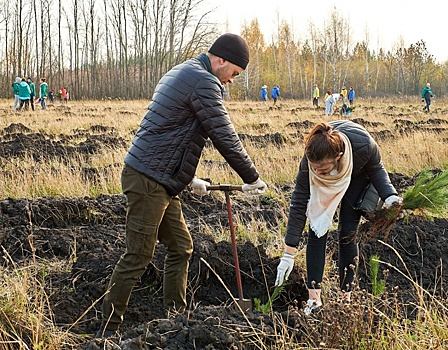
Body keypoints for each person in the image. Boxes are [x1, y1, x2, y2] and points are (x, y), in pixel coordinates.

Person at [97, 33, 268, 338]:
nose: (231, 81)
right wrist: (251, 177)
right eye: (234, 74)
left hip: (160, 180)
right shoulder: (203, 81)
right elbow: (222, 134)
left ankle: (175, 320)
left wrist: (189, 179)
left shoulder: (184, 71)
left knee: (181, 247)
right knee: (138, 255)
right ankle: (107, 332)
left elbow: (171, 134)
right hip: (149, 180)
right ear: (221, 60)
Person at [274, 121, 402, 314]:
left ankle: (346, 299)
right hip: (322, 185)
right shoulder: (311, 162)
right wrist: (288, 254)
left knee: (348, 233)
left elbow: (376, 169)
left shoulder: (363, 146)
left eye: (322, 168)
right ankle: (314, 300)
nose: (317, 171)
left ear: (338, 156)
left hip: (355, 176)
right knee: (317, 229)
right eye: (314, 167)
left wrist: (390, 196)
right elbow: (299, 203)